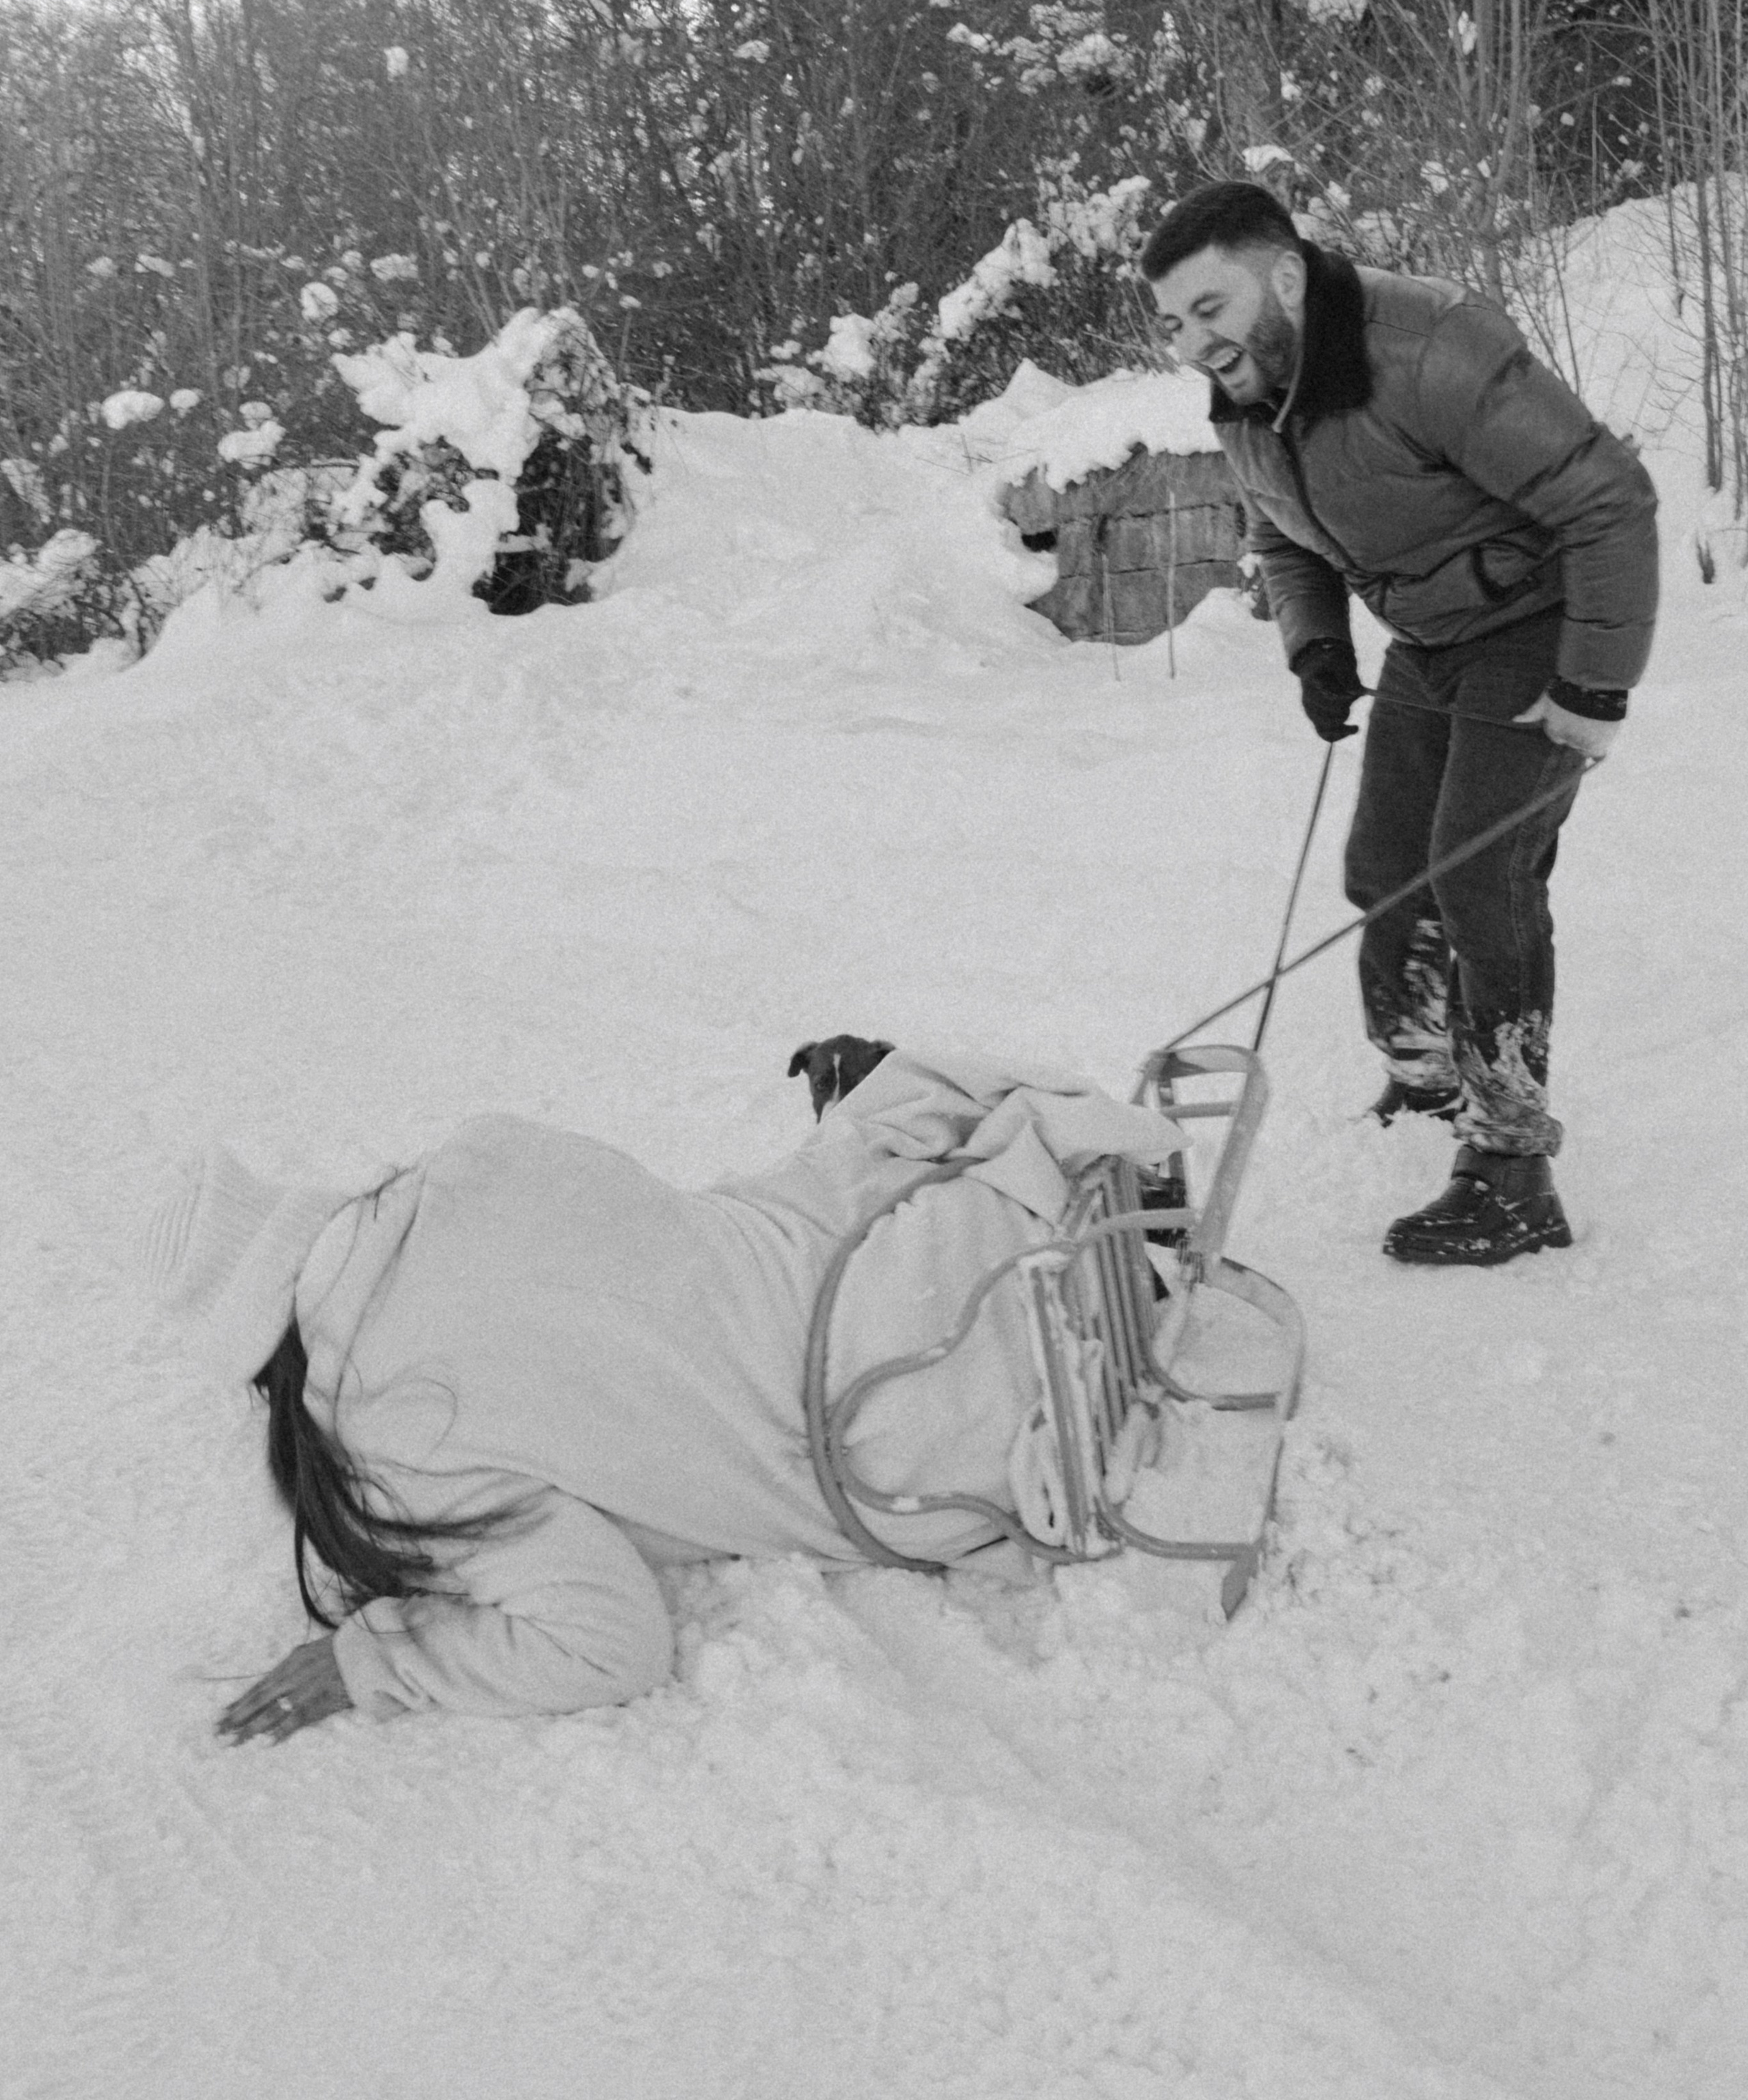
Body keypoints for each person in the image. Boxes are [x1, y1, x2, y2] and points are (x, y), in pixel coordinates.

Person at [146, 1045, 1185, 1742]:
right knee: (822, 1185)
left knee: (837, 1379)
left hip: (915, 1413)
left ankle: (1064, 1284)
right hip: (928, 1232)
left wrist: (385, 1660)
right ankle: (1098, 1229)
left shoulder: (390, 1435)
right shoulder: (480, 1153)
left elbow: (608, 1644)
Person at [1139, 180, 1657, 1266]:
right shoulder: (1251, 393)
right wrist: (1315, 643)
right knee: (1388, 870)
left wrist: (1593, 687)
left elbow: (1607, 496)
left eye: (1209, 308)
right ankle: (1428, 1065)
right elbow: (1284, 534)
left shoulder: (1428, 346)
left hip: (1539, 624)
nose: (1192, 343)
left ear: (1283, 276)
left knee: (1484, 876)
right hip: (1432, 638)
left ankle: (1513, 1171)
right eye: (1174, 322)